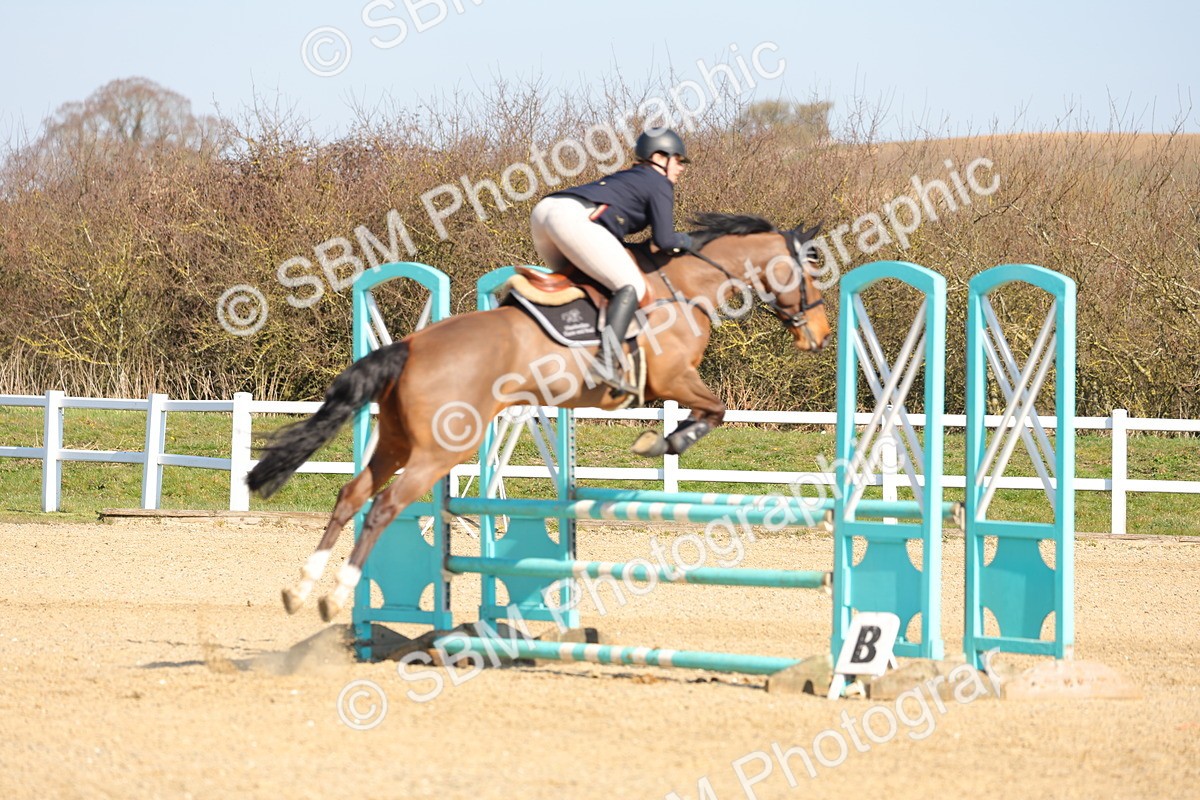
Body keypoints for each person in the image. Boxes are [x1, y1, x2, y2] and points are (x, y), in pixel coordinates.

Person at [529, 128, 693, 393]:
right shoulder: (657, 181)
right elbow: (664, 241)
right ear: (661, 157)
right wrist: (689, 241)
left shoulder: (631, 177)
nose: (681, 168)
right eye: (679, 160)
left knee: (581, 287)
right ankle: (605, 363)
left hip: (545, 212)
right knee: (632, 286)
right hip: (572, 219)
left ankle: (561, 351)